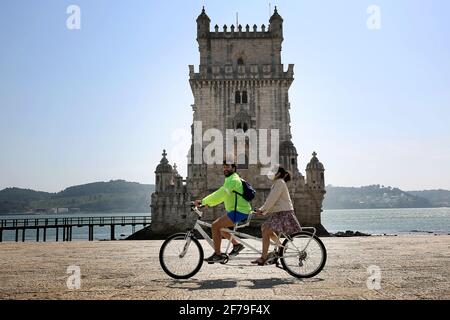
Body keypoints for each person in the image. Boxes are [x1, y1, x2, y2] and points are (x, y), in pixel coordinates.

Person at [194, 160, 252, 263]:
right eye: (224, 167)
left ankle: (217, 255)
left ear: (233, 168)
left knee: (215, 226)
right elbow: (222, 197)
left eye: (228, 167)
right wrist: (208, 204)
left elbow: (220, 193)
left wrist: (203, 200)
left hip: (240, 211)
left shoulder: (233, 180)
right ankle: (236, 245)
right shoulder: (230, 180)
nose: (225, 169)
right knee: (220, 228)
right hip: (237, 211)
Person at [253, 166, 301, 265]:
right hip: (280, 213)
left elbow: (272, 199)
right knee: (265, 227)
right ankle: (281, 246)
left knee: (266, 230)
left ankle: (263, 257)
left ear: (278, 174)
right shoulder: (277, 183)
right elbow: (272, 201)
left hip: (284, 213)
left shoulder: (279, 183)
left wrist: (262, 210)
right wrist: (262, 211)